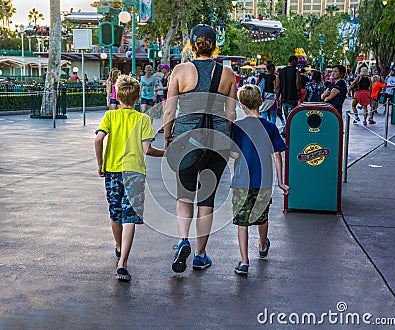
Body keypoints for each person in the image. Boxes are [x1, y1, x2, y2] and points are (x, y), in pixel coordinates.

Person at [163, 24, 237, 273]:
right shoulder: (227, 73)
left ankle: (183, 239)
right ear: (214, 45)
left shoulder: (180, 70)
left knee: (185, 195)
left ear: (191, 45)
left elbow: (170, 109)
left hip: (186, 139)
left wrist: (167, 137)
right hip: (217, 141)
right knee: (207, 199)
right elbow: (230, 112)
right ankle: (200, 254)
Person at [94, 75, 164, 282]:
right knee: (130, 216)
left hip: (113, 170)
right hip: (134, 172)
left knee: (115, 213)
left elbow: (98, 139)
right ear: (137, 96)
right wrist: (165, 153)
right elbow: (147, 149)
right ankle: (123, 263)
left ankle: (118, 246)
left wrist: (100, 164)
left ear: (118, 94)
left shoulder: (110, 116)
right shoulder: (142, 119)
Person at [230, 84, 289, 275]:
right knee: (262, 217)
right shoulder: (270, 127)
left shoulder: (237, 127)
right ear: (261, 102)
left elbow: (234, 155)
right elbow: (277, 155)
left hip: (241, 181)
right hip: (264, 181)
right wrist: (281, 181)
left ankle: (244, 261)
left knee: (242, 221)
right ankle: (263, 245)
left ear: (241, 104)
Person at [276, 55, 301, 137]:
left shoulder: (281, 72)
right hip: (292, 97)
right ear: (293, 61)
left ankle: (287, 131)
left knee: (287, 115)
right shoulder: (296, 71)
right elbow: (297, 84)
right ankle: (287, 131)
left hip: (284, 98)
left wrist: (278, 97)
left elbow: (277, 86)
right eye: (296, 61)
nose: (297, 63)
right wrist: (298, 93)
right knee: (292, 116)